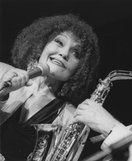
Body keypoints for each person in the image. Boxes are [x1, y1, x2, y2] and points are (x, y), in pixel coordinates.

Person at [0, 13, 100, 161]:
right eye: (59, 42)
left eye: (76, 53)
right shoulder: (2, 72)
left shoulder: (71, 119)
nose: (64, 53)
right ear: (41, 46)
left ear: (79, 69)